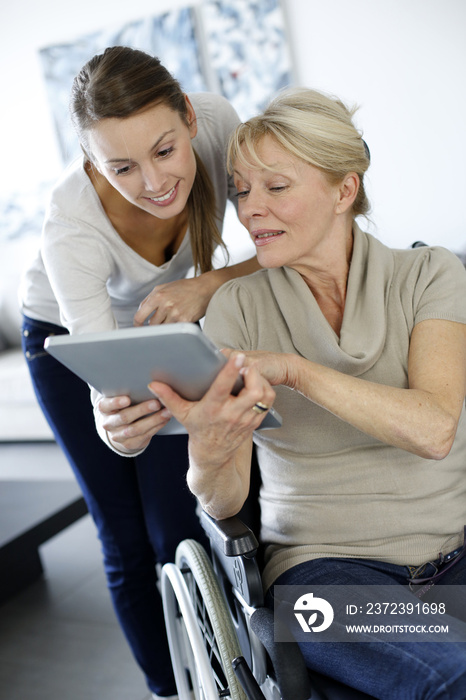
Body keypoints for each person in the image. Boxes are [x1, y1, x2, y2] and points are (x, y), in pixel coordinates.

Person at [144, 88, 466, 698]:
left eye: (276, 187)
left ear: (344, 191)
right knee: (453, 676)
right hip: (327, 578)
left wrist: (295, 371)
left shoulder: (430, 275)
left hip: (454, 552)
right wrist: (210, 448)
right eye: (241, 190)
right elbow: (225, 497)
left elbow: (433, 429)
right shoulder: (237, 308)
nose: (250, 210)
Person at [19, 46, 260, 699]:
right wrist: (117, 427)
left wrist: (209, 283)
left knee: (177, 521)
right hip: (65, 339)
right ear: (91, 163)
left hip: (161, 320)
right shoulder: (70, 227)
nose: (154, 182)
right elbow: (103, 373)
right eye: (120, 167)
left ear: (187, 117)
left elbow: (280, 241)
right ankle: (165, 689)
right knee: (123, 532)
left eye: (163, 151)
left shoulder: (216, 123)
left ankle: (225, 673)